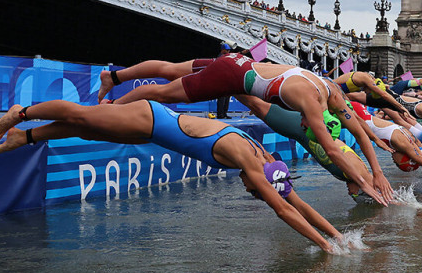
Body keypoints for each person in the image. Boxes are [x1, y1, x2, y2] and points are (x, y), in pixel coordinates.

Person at [0, 100, 352, 254]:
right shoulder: (255, 167)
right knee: (83, 117)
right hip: (153, 119)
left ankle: (27, 137)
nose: (249, 190)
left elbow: (297, 201)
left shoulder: (266, 159)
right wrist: (325, 247)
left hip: (153, 130)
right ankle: (21, 114)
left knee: (89, 132)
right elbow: (285, 211)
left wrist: (340, 236)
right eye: (253, 192)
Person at [98, 55, 395, 204]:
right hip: (230, 76)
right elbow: (331, 148)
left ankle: (113, 75)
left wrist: (378, 171)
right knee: (162, 93)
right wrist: (366, 182)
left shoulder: (328, 88)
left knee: (170, 69)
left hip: (238, 62)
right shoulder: (311, 102)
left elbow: (358, 131)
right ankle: (111, 108)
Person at [235, 94, 390, 205]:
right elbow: (340, 147)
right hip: (299, 127)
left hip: (301, 129)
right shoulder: (357, 174)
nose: (350, 194)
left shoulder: (357, 177)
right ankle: (228, 82)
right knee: (255, 105)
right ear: (365, 190)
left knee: (258, 105)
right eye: (355, 194)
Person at [216, 40, 235, 119]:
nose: (228, 52)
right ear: (223, 50)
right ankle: (220, 114)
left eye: (229, 50)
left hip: (227, 80)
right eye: (227, 50)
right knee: (222, 99)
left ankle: (224, 113)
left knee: (226, 98)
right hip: (221, 81)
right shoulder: (220, 57)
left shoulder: (226, 57)